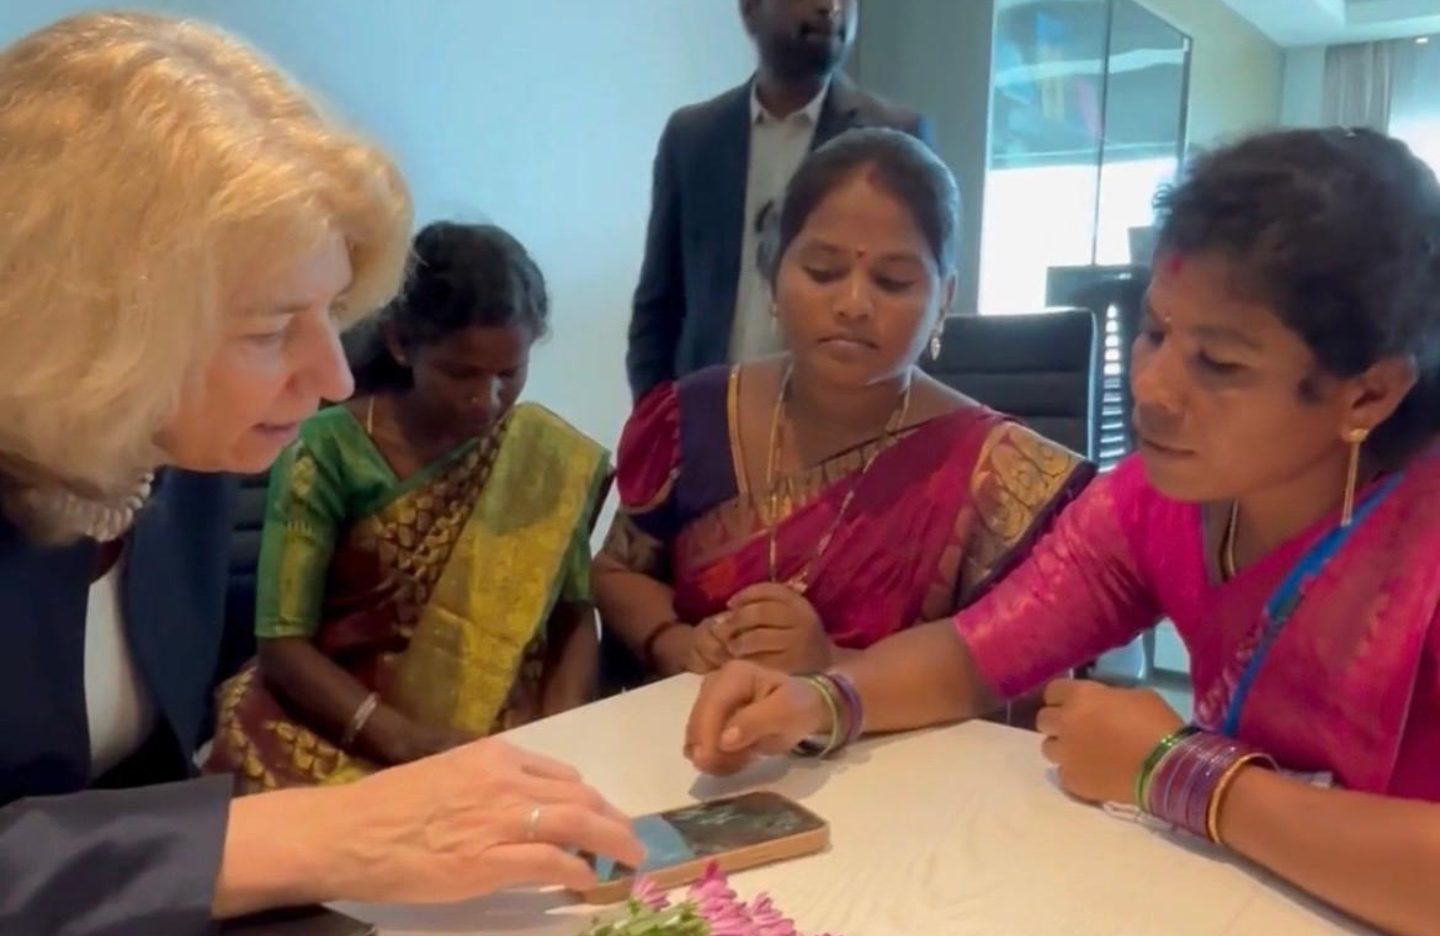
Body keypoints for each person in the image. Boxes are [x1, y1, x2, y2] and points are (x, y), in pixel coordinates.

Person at [684, 127, 1440, 936]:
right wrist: (820, 701)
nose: (1150, 390)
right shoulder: (1156, 500)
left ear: (1368, 396)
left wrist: (1180, 774)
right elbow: (982, 651)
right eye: (1153, 332)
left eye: (1218, 364)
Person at [0, 13, 640, 935]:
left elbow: (132, 791)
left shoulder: (176, 466)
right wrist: (304, 834)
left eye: (330, 313)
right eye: (269, 330)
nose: (334, 378)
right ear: (95, 326)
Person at [596, 129, 1090, 684]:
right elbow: (617, 571)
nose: (853, 305)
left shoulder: (1000, 473)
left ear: (944, 299)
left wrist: (837, 668)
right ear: (774, 277)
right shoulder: (696, 417)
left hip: (906, 763)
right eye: (823, 272)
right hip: (696, 748)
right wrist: (679, 643)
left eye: (893, 281)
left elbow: (1034, 687)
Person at [208, 222, 608, 793]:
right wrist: (404, 742)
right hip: (340, 728)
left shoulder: (540, 457)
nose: (487, 398)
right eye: (461, 373)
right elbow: (283, 645)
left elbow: (572, 615)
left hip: (500, 732)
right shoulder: (327, 449)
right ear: (401, 344)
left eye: (508, 374)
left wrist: (560, 737)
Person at [625, 0, 935, 402]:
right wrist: (656, 425)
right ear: (750, 10)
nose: (831, 8)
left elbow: (916, 305)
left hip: (841, 423)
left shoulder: (894, 136)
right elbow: (658, 305)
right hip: (708, 421)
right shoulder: (692, 137)